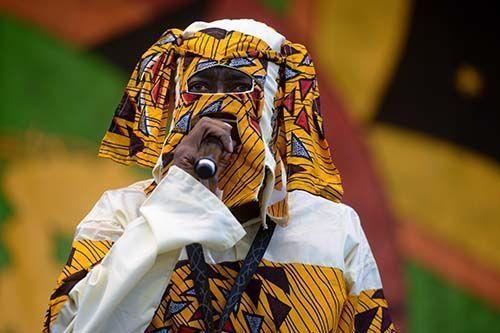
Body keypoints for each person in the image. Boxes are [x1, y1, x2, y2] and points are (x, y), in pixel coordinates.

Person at [43, 19, 395, 333]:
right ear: (180, 102)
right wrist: (172, 208)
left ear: (274, 106)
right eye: (202, 85)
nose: (219, 105)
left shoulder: (332, 228)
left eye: (237, 85)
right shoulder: (120, 214)